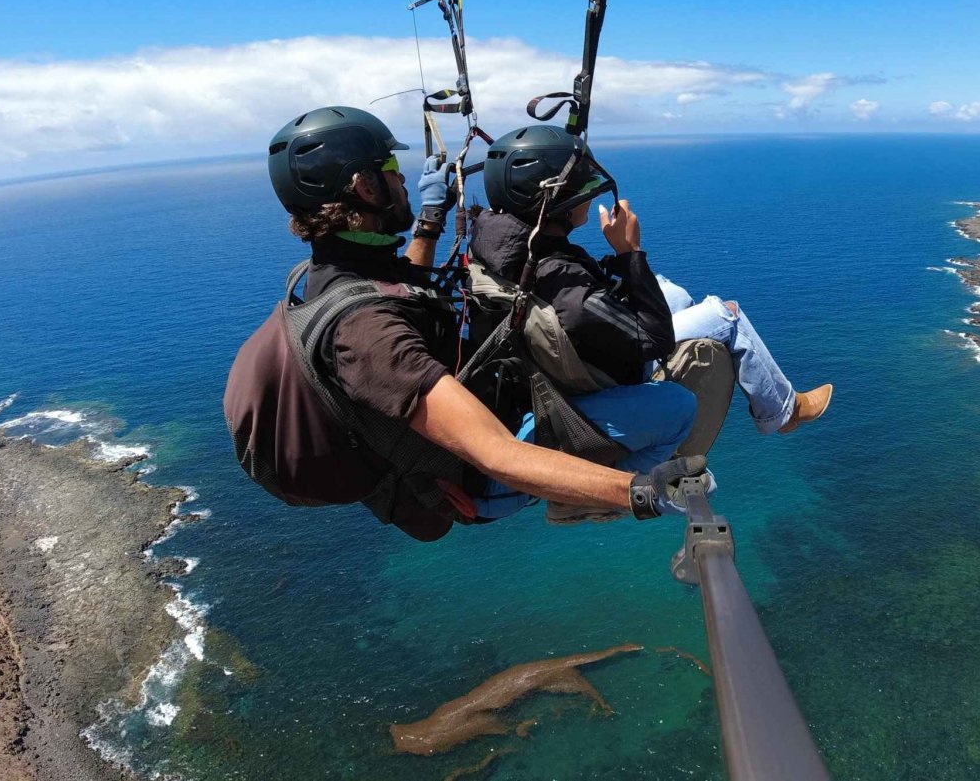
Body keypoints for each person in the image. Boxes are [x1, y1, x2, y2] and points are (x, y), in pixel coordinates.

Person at [225, 105, 710, 540]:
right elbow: (498, 454)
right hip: (477, 481)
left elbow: (405, 285)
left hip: (486, 416)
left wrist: (432, 218)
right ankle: (577, 505)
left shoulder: (330, 273)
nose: (402, 179)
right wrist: (640, 491)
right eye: (391, 170)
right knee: (676, 406)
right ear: (364, 187)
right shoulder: (366, 335)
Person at [470, 125, 832, 438]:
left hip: (574, 344)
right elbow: (652, 337)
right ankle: (782, 413)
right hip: (606, 368)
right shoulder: (561, 280)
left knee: (673, 292)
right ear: (556, 203)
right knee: (727, 314)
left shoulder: (506, 244)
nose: (590, 195)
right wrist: (630, 252)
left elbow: (574, 291)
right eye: (582, 190)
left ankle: (710, 346)